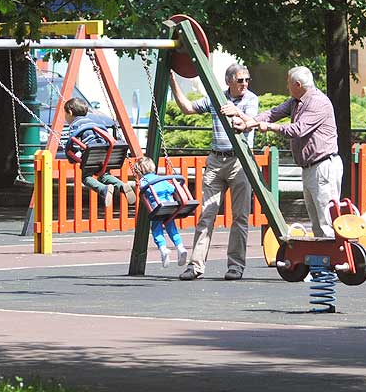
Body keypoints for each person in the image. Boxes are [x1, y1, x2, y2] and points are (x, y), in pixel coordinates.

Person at [170, 63, 258, 281]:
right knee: (206, 215)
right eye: (240, 80)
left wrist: (237, 113)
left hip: (239, 161)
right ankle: (196, 266)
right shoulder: (216, 98)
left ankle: (236, 266)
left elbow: (250, 123)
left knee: (240, 216)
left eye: (247, 80)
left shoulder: (251, 99)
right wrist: (172, 82)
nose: (245, 84)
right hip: (216, 160)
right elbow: (187, 108)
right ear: (228, 81)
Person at [239, 66, 342, 239]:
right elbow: (274, 113)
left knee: (327, 222)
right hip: (309, 167)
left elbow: (297, 130)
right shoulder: (296, 101)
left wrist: (269, 127)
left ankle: (335, 253)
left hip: (323, 166)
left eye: (289, 83)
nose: (287, 87)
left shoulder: (318, 102)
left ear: (298, 84)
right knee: (316, 222)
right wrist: (250, 122)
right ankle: (322, 255)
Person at [63, 97, 135, 207]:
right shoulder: (94, 122)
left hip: (91, 154)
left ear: (70, 112)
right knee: (104, 175)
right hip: (104, 153)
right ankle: (122, 185)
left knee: (86, 177)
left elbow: (74, 142)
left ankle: (103, 189)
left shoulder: (75, 125)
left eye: (65, 114)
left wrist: (74, 155)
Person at [132, 156, 189, 268]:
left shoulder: (144, 181)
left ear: (139, 171)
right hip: (170, 206)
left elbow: (145, 192)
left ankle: (163, 249)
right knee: (171, 227)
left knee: (156, 229)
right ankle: (180, 247)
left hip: (158, 208)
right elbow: (172, 189)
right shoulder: (161, 179)